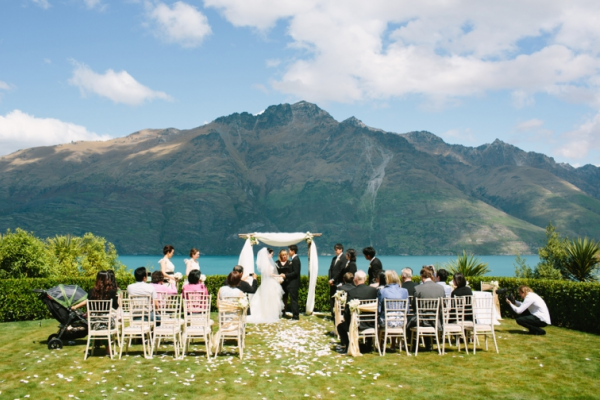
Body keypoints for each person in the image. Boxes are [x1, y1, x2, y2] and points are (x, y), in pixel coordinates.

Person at [336, 270, 378, 354]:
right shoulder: (373, 291)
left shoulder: (352, 292)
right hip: (371, 323)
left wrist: (347, 321)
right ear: (365, 279)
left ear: (355, 279)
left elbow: (347, 310)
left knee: (340, 327)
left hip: (356, 324)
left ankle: (348, 345)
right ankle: (368, 345)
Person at [408, 268, 445, 352]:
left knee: (408, 321)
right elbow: (443, 305)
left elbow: (414, 307)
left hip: (421, 320)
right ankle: (428, 344)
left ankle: (413, 344)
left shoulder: (418, 288)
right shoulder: (440, 288)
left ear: (422, 276)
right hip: (436, 320)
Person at [246, 248, 285, 323]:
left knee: (270, 298)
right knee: (270, 298)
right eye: (271, 254)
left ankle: (270, 313)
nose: (272, 255)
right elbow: (269, 274)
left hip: (268, 282)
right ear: (268, 254)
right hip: (269, 282)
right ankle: (268, 314)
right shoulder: (267, 263)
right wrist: (278, 276)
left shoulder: (266, 263)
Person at [280, 244, 301, 320]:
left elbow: (296, 272)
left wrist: (285, 276)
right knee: (293, 300)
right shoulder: (294, 259)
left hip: (294, 284)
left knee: (294, 301)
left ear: (293, 251)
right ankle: (295, 315)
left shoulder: (295, 260)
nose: (288, 252)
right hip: (292, 283)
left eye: (289, 250)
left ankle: (295, 316)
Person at [328, 244, 346, 319]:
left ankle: (338, 314)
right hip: (332, 282)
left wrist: (333, 279)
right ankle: (333, 314)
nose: (336, 251)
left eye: (337, 249)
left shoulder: (344, 258)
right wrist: (330, 279)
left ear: (341, 249)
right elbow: (330, 269)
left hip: (339, 282)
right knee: (332, 298)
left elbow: (341, 271)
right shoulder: (334, 258)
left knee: (338, 299)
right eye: (335, 249)